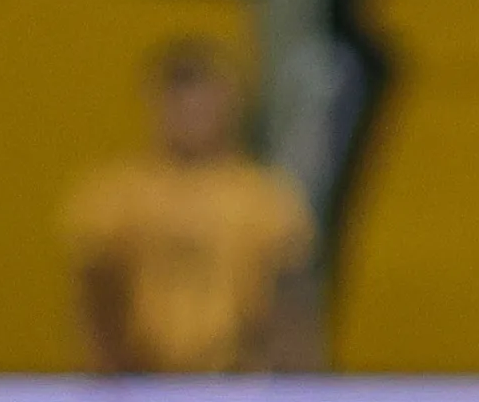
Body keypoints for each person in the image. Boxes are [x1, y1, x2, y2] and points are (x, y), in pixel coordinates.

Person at [62, 40, 318, 375]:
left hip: (237, 383)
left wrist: (287, 382)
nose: (191, 114)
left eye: (203, 101)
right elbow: (95, 289)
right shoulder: (117, 196)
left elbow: (289, 300)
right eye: (179, 101)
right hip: (142, 382)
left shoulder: (264, 198)